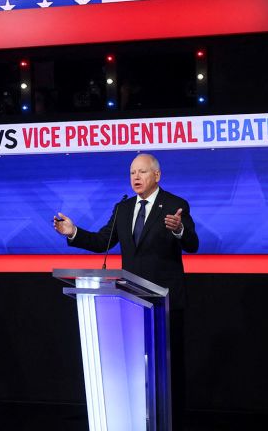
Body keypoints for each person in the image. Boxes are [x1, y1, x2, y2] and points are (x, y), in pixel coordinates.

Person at [53, 153, 197, 425]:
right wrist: (73, 232)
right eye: (132, 173)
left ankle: (172, 422)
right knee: (135, 369)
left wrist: (179, 230)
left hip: (165, 302)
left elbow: (193, 244)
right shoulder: (123, 208)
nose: (136, 178)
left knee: (168, 371)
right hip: (131, 302)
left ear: (157, 175)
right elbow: (101, 241)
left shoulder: (176, 205)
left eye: (142, 172)